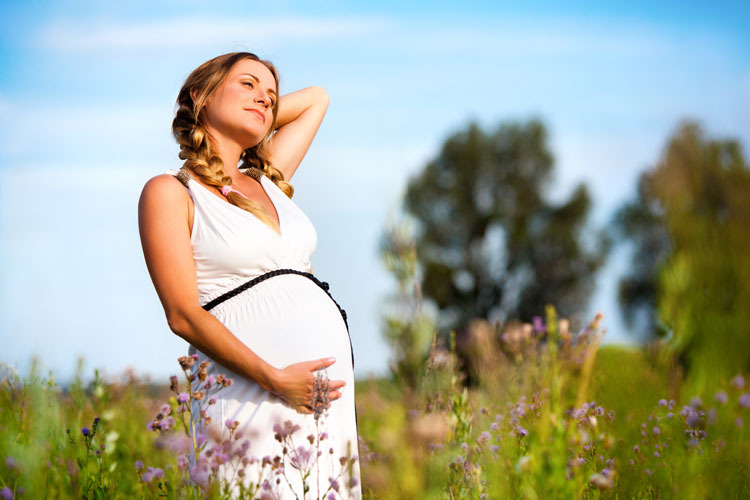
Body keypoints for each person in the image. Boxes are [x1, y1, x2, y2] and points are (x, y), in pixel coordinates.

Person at [138, 52, 361, 498]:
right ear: (200, 96)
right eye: (247, 85)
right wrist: (273, 377)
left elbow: (318, 99)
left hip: (322, 400)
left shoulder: (268, 181)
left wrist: (257, 106)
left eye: (271, 95)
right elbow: (182, 314)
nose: (263, 98)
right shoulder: (172, 192)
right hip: (249, 391)